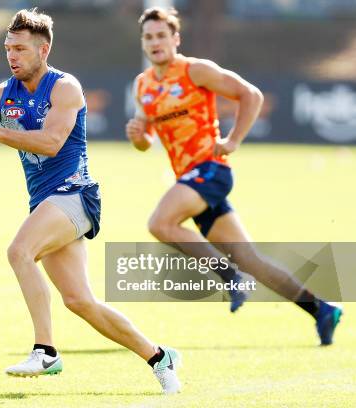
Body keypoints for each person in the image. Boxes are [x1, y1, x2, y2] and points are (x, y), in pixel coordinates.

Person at [0, 9, 182, 394]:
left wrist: (2, 135)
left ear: (44, 49)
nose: (12, 55)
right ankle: (159, 356)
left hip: (75, 195)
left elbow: (53, 142)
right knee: (80, 301)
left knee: (19, 251)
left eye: (21, 48)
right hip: (47, 203)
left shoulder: (65, 88)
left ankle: (46, 350)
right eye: (8, 47)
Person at [126, 7, 342, 345]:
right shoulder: (143, 85)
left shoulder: (195, 70)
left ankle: (230, 277)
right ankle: (320, 309)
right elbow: (145, 143)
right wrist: (139, 136)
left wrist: (233, 140)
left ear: (175, 39)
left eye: (161, 35)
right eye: (149, 37)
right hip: (190, 179)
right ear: (143, 42)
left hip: (211, 170)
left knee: (160, 224)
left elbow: (250, 95)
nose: (155, 42)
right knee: (250, 258)